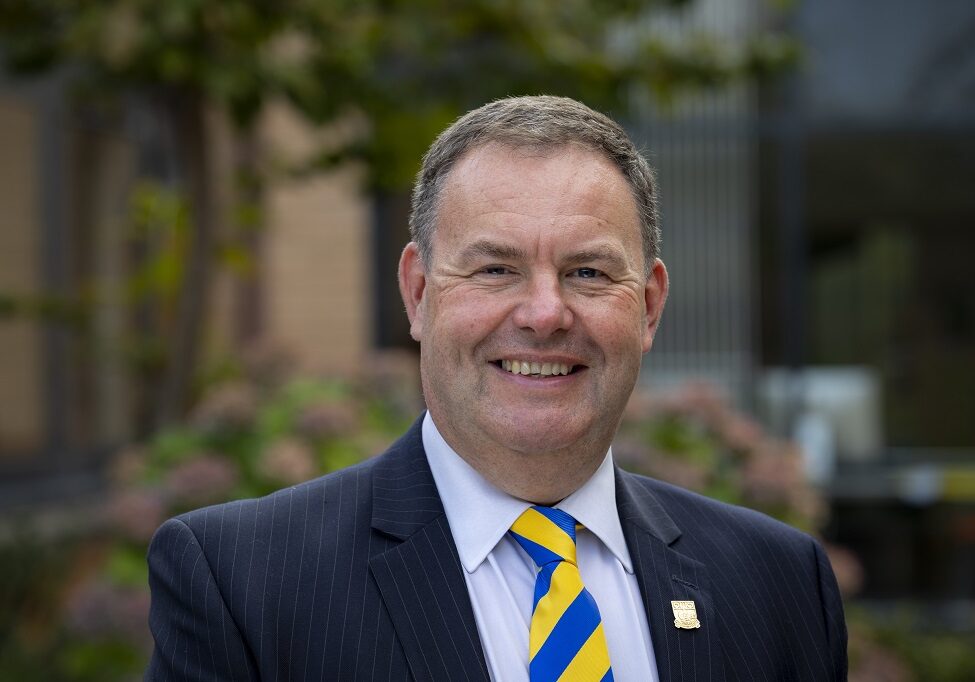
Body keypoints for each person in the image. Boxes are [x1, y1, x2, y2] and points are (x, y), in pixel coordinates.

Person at [145, 96, 847, 681]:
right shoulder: (243, 584)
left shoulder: (778, 582)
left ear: (649, 307)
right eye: (493, 270)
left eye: (588, 273)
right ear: (419, 295)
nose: (544, 313)